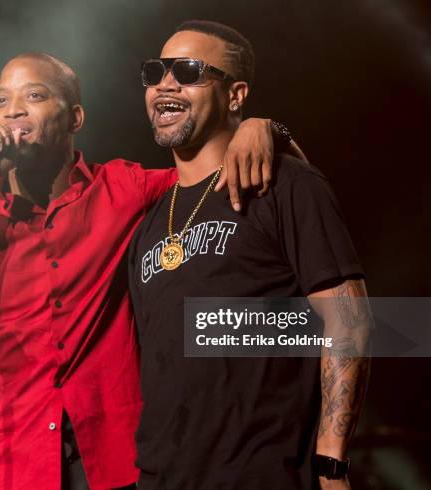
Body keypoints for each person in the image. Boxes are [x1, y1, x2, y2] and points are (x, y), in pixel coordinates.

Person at [0, 52, 304, 489]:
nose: (13, 111)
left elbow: (263, 178)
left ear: (74, 118)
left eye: (35, 96)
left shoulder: (125, 189)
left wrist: (267, 128)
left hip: (109, 464)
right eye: (1, 101)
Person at [128, 20, 372, 489]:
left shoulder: (286, 185)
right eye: (156, 71)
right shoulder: (149, 224)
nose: (165, 84)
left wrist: (332, 464)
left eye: (189, 71)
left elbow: (352, 320)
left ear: (235, 95)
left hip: (263, 476)